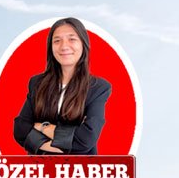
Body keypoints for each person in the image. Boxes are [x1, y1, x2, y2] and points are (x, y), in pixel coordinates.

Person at [13, 17, 110, 155]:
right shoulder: (37, 83)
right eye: (57, 41)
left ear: (83, 44)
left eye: (72, 39)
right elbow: (20, 130)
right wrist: (68, 140)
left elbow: (86, 139)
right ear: (50, 47)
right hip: (40, 171)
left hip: (79, 172)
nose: (64, 46)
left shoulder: (97, 88)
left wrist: (41, 127)